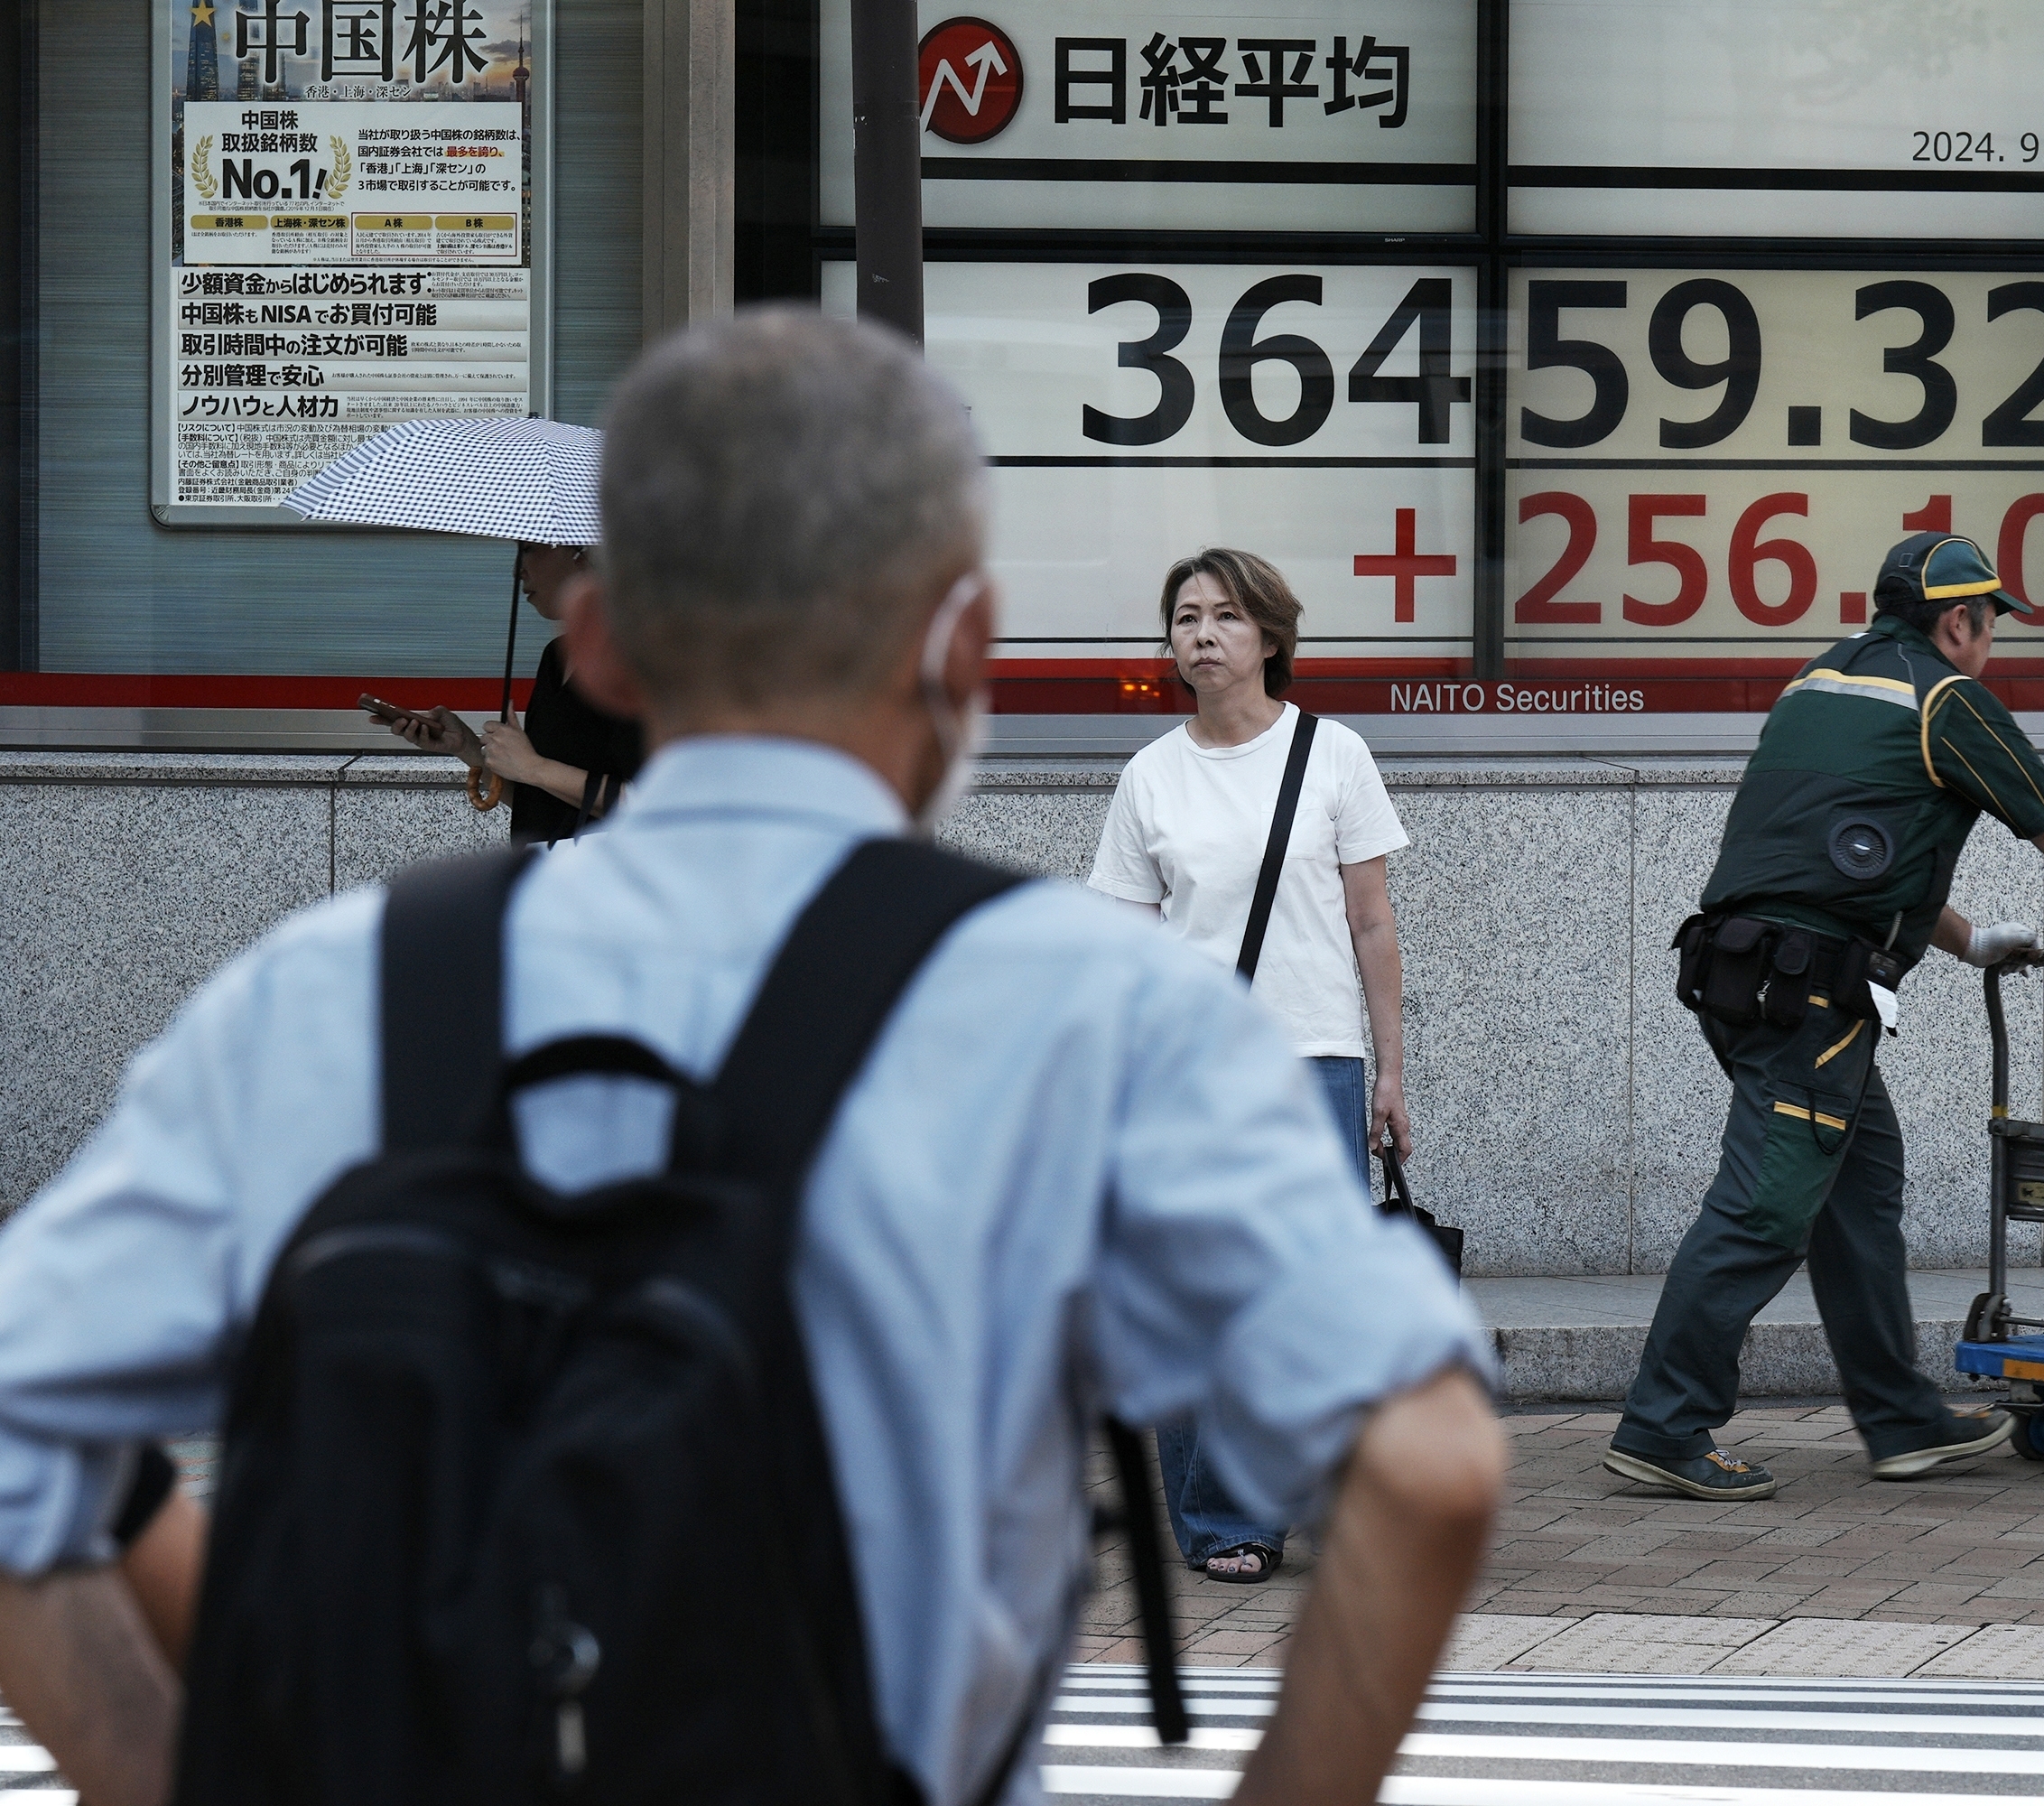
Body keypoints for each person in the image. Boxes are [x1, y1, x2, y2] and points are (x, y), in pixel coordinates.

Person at [0, 309, 1503, 1806]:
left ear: (598, 640)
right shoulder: (1093, 1014)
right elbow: (1430, 1462)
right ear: (966, 643)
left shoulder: (331, 996)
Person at [1608, 531, 2044, 1500]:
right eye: (1993, 620)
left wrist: (1968, 941)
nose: (1995, 639)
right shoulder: (1947, 697)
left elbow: (1839, 849)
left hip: (1743, 971)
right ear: (1957, 619)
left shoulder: (1820, 681)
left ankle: (1901, 1418)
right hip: (1813, 999)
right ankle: (1665, 1422)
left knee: (1860, 1185)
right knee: (1763, 1210)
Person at [1088, 547, 1414, 1587]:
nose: (1202, 633)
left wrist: (1391, 1074)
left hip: (1316, 1058)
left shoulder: (1334, 755)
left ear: (1270, 636)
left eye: (1226, 615)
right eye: (1185, 616)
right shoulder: (1151, 775)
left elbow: (1373, 925)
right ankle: (1223, 1514)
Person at [372, 540, 648, 842]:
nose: (518, 571)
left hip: (604, 882)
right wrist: (464, 746)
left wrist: (535, 768)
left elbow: (653, 804)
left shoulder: (637, 662)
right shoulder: (556, 657)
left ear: (582, 554)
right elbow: (544, 806)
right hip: (546, 875)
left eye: (528, 549)